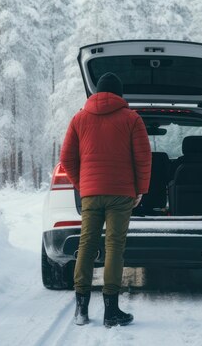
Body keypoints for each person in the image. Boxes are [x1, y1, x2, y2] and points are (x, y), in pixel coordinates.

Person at [60, 72, 152, 328]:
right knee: (114, 246)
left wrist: (83, 184)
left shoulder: (79, 118)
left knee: (87, 244)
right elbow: (143, 158)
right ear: (119, 93)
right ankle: (111, 312)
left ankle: (81, 310)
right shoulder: (131, 118)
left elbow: (66, 158)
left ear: (96, 93)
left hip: (91, 193)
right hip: (122, 193)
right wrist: (140, 189)